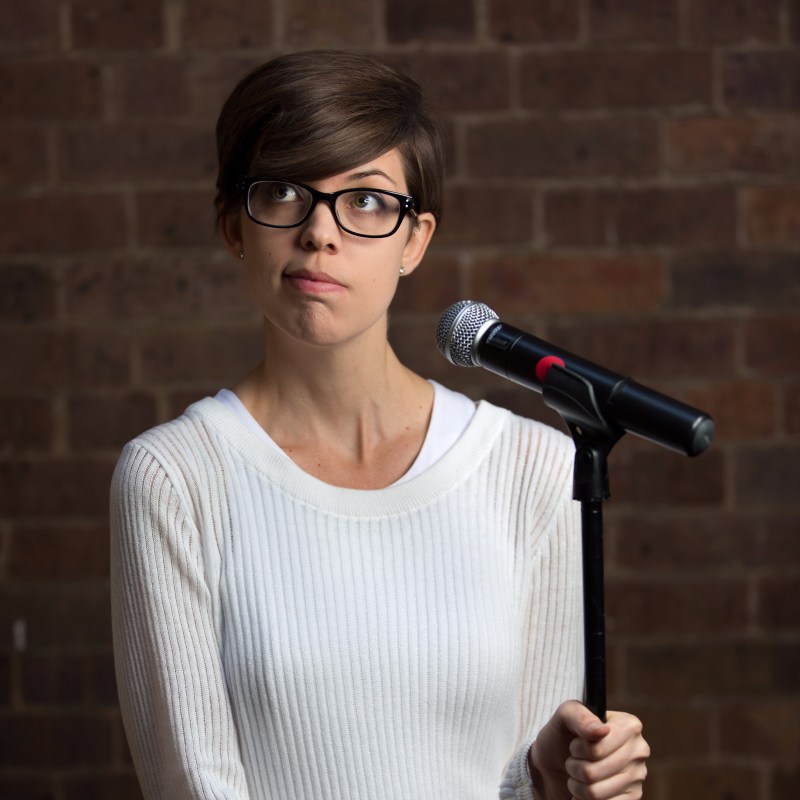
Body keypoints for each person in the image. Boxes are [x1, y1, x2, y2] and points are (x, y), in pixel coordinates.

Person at [110, 50, 649, 800]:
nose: (319, 233)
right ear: (234, 225)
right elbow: (194, 784)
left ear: (414, 240)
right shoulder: (174, 478)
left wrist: (548, 779)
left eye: (365, 200)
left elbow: (531, 779)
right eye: (283, 191)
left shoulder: (533, 469)